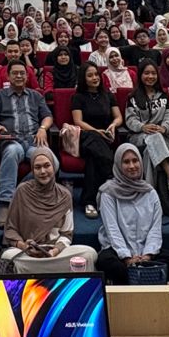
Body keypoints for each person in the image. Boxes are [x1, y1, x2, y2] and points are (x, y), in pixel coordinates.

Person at [95, 143, 169, 285]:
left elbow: (155, 229)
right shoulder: (108, 192)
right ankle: (153, 279)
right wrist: (126, 258)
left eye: (135, 161)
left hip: (145, 252)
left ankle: (134, 279)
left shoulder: (150, 192)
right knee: (106, 263)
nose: (132, 166)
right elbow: (112, 230)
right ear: (118, 165)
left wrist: (148, 255)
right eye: (126, 162)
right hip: (118, 251)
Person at [0, 147, 97, 275]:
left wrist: (54, 251)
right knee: (7, 256)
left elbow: (66, 234)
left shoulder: (64, 195)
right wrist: (24, 246)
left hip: (55, 253)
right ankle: (50, 272)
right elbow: (10, 229)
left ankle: (37, 271)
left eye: (47, 166)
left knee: (89, 254)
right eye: (37, 167)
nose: (43, 171)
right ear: (32, 170)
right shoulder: (22, 191)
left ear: (54, 167)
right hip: (29, 254)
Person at [0, 60, 54, 226]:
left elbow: (47, 116)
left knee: (53, 162)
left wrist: (43, 128)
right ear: (8, 76)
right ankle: (6, 204)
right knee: (12, 152)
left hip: (34, 141)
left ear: (27, 76)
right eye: (15, 73)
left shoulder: (36, 96)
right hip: (11, 140)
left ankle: (21, 192)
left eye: (22, 73)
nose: (19, 76)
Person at [125, 62, 169, 197]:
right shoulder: (133, 97)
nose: (150, 76)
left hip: (162, 138)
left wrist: (164, 128)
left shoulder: (163, 96)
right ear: (140, 75)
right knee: (153, 138)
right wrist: (142, 127)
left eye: (153, 73)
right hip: (138, 137)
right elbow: (130, 119)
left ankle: (148, 192)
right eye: (146, 73)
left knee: (149, 151)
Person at [71, 62, 122, 219]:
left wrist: (113, 125)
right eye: (90, 75)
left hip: (105, 138)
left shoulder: (108, 95)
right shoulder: (78, 97)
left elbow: (118, 117)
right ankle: (113, 174)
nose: (95, 78)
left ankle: (90, 201)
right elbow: (78, 121)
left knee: (92, 160)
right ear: (83, 78)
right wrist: (96, 131)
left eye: (96, 74)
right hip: (86, 136)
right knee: (93, 139)